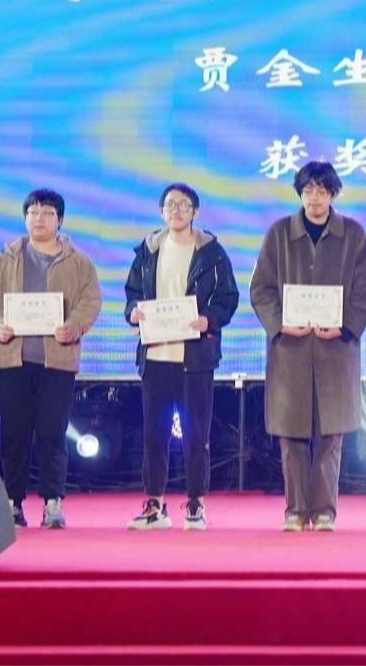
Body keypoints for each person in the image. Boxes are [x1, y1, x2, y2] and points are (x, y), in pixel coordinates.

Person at [250, 162, 366, 532]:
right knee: (291, 434)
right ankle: (295, 510)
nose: (314, 198)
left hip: (335, 350)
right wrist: (279, 323)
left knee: (330, 435)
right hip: (290, 350)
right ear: (300, 194)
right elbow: (261, 288)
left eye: (322, 191)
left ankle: (324, 511)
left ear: (333, 194)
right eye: (308, 191)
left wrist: (345, 326)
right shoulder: (279, 233)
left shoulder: (353, 234)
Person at [0, 189, 102, 530]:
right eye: (33, 212)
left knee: (52, 433)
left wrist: (74, 326)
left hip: (57, 362)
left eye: (47, 213)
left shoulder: (78, 261)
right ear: (25, 218)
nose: (39, 219)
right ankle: (12, 502)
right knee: (14, 435)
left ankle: (52, 502)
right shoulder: (7, 257)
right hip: (12, 360)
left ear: (59, 220)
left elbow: (91, 300)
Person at [124, 182, 240, 531]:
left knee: (196, 435)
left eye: (184, 205)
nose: (176, 210)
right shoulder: (148, 251)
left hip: (196, 358)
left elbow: (228, 298)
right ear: (161, 211)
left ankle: (195, 504)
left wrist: (209, 320)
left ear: (195, 212)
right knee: (154, 435)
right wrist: (133, 313)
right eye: (171, 205)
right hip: (155, 356)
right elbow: (132, 294)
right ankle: (154, 505)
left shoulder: (211, 252)